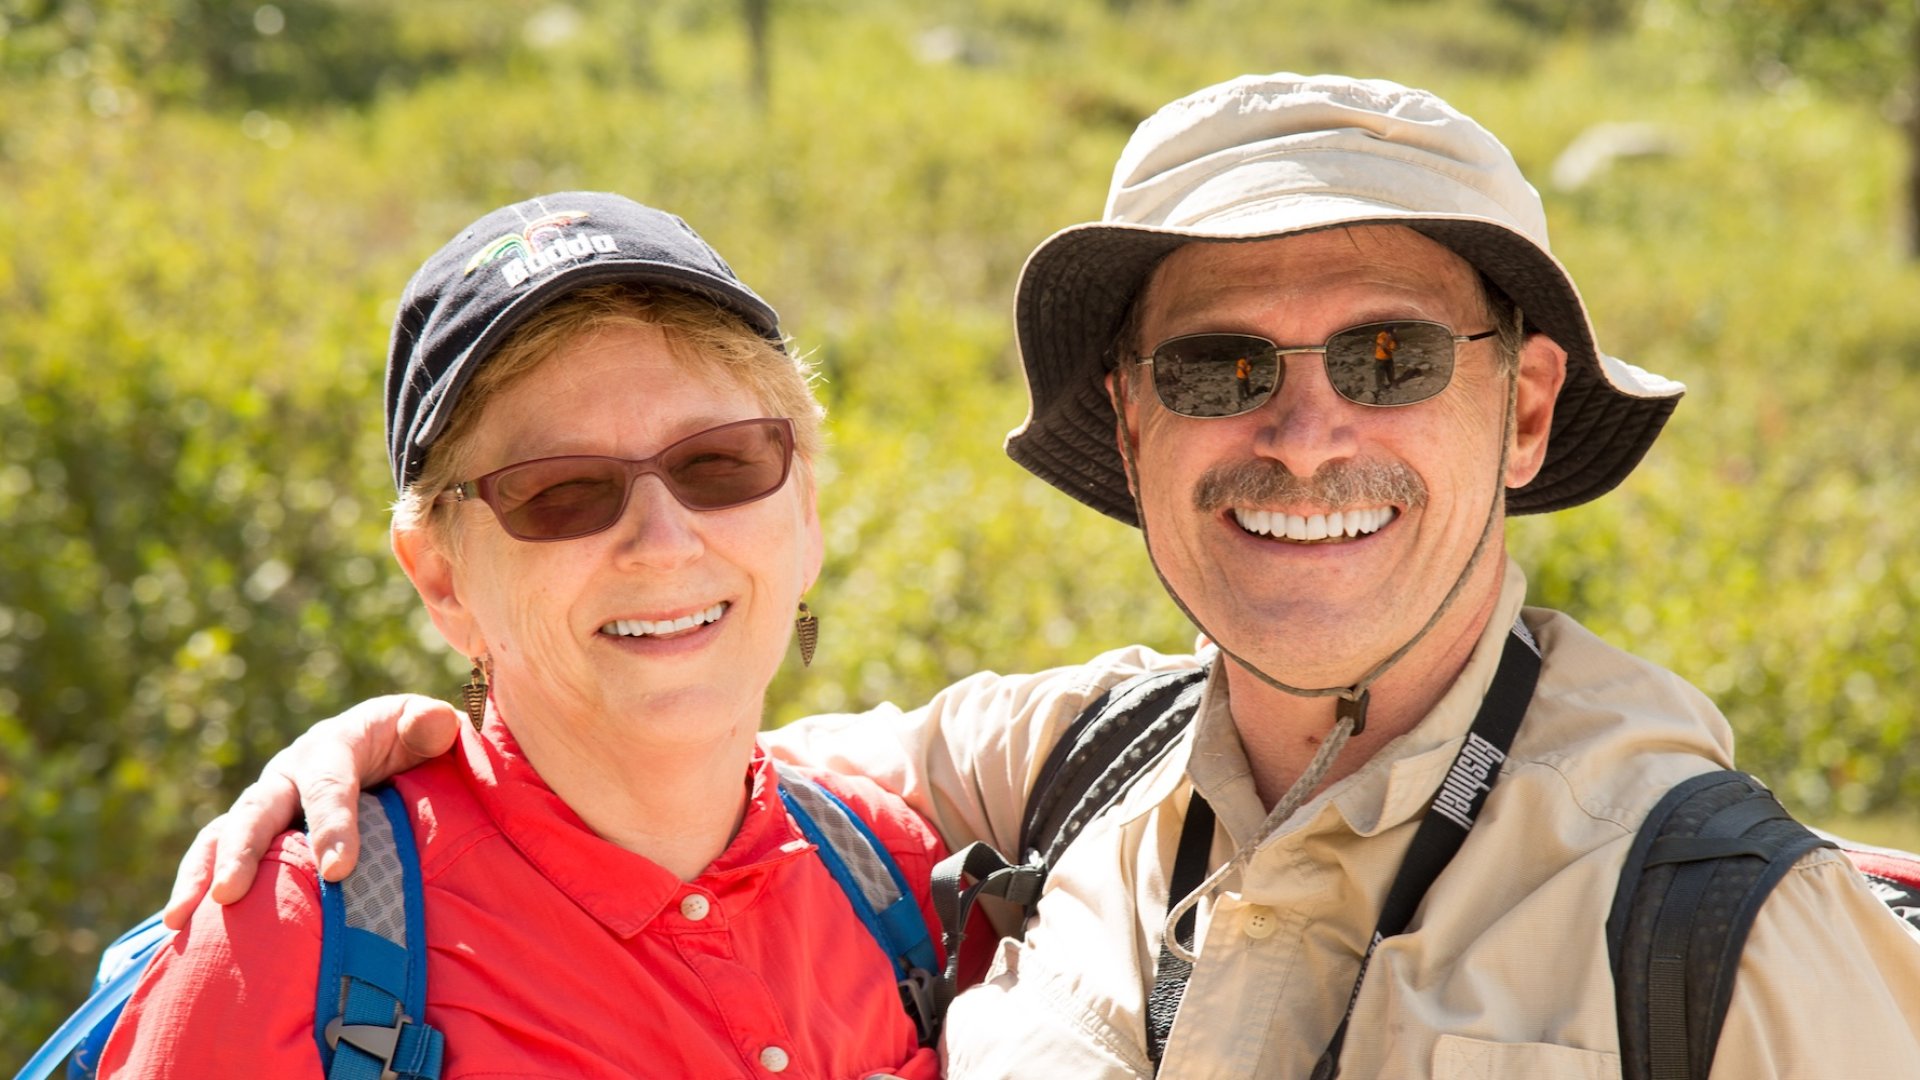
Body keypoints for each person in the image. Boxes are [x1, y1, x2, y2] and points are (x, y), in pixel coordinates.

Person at [169, 75, 1920, 1077]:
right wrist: (411, 741)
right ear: (1130, 420)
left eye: (1389, 357)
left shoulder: (1724, 928)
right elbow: (673, 747)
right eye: (1222, 368)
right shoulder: (1051, 774)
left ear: (1524, 409)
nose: (1305, 438)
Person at [103, 192, 950, 1078]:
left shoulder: (904, 882)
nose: (663, 545)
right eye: (561, 490)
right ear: (441, 576)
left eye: (720, 462)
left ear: (806, 514)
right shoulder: (292, 946)